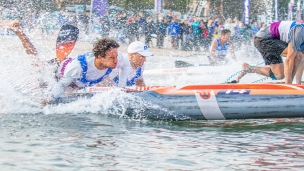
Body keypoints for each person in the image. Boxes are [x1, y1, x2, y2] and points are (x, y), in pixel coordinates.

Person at [0, 20, 126, 104]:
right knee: (36, 64)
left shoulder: (115, 58)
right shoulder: (78, 68)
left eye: (116, 56)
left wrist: (121, 88)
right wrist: (49, 100)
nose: (116, 60)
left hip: (76, 80)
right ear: (100, 57)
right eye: (111, 58)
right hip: (55, 71)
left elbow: (124, 67)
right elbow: (60, 86)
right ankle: (19, 31)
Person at [236, 20, 304, 84]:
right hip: (262, 39)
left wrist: (298, 83)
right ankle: (289, 84)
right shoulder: (299, 32)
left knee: (279, 75)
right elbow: (289, 60)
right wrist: (289, 85)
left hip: (272, 40)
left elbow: (301, 61)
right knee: (297, 55)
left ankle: (249, 68)